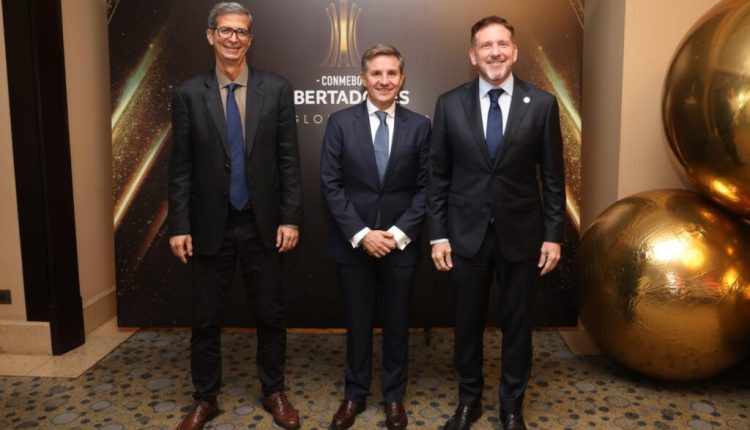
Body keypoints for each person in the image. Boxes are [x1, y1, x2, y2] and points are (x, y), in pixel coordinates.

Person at [167, 3, 302, 430]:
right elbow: (180, 166)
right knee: (205, 319)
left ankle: (274, 391)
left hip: (262, 224)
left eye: (241, 32)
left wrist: (290, 218)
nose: (233, 38)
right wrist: (179, 225)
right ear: (210, 35)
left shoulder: (276, 90)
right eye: (225, 30)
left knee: (270, 315)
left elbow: (289, 161)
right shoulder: (188, 94)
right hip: (209, 225)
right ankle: (205, 398)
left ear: (250, 39)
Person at [426, 16, 565, 430]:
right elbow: (438, 176)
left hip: (522, 236)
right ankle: (468, 401)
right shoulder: (449, 104)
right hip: (464, 235)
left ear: (515, 51)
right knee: (466, 324)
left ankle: (511, 405)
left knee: (517, 324)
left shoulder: (542, 104)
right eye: (486, 46)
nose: (495, 52)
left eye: (502, 44)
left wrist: (553, 235)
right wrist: (438, 235)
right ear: (473, 55)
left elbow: (553, 178)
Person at [320, 43, 431, 430]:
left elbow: (427, 188)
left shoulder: (420, 126)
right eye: (377, 73)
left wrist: (397, 234)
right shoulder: (340, 123)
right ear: (363, 79)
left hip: (401, 245)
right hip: (354, 244)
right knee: (358, 323)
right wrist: (363, 234)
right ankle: (354, 394)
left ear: (402, 79)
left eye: (392, 73)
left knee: (398, 325)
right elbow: (330, 184)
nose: (385, 80)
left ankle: (394, 397)